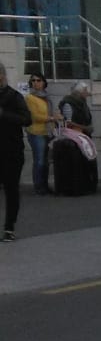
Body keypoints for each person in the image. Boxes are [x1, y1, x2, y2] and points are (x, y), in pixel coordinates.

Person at [0, 64, 32, 240]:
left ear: (2, 77)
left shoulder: (14, 96)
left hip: (11, 150)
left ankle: (9, 228)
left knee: (11, 189)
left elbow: (27, 119)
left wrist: (4, 114)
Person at [24, 70, 53, 195]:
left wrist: (54, 119)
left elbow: (48, 113)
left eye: (38, 80)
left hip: (47, 131)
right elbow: (35, 116)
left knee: (46, 161)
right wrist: (52, 118)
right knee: (39, 160)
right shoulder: (30, 97)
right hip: (36, 132)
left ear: (44, 82)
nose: (36, 83)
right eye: (33, 81)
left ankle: (45, 186)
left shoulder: (45, 97)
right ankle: (39, 187)